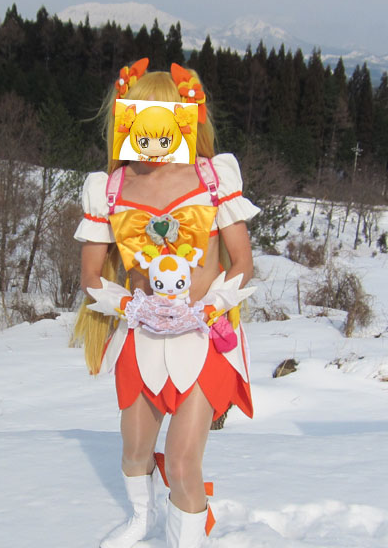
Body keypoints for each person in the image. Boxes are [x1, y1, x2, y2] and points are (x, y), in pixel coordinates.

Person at [73, 59, 259, 548]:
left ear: (185, 118)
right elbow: (91, 276)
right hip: (142, 335)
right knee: (134, 450)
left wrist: (210, 308)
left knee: (181, 459)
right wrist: (131, 309)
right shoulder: (109, 189)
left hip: (203, 334)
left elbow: (242, 262)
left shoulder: (214, 179)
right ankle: (142, 518)